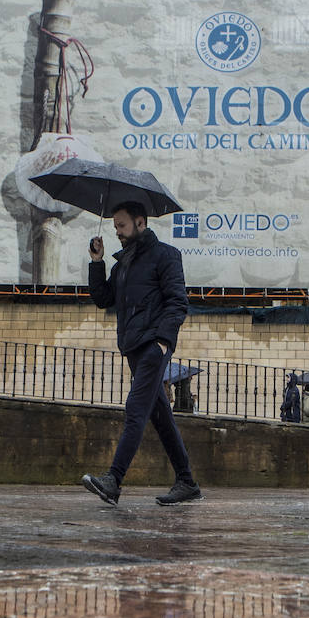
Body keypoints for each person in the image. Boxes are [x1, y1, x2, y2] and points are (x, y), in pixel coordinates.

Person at [80, 201, 201, 506]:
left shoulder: (166, 256)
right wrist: (97, 262)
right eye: (115, 227)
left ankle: (113, 480)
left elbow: (177, 302)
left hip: (153, 346)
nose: (117, 232)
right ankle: (187, 482)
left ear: (140, 223)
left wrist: (163, 341)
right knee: (160, 416)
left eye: (121, 226)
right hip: (133, 347)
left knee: (135, 407)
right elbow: (103, 299)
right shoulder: (123, 265)